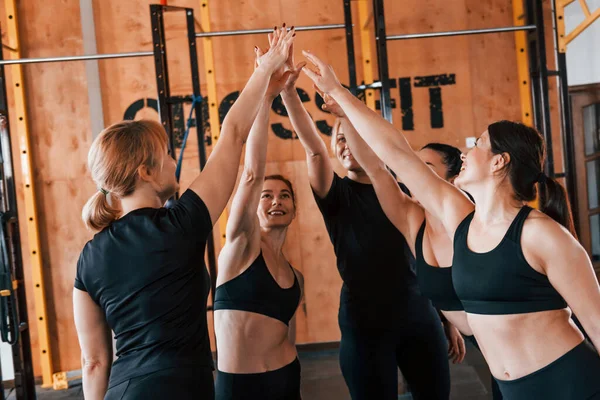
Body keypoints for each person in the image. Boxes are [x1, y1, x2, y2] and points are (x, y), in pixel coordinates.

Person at [302, 50, 600, 399]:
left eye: (479, 144)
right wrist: (338, 92)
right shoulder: (459, 218)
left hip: (571, 384)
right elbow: (394, 155)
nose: (466, 151)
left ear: (499, 163)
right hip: (512, 389)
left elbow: (596, 322)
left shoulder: (540, 234)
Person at [72, 28, 295, 400]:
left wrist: (267, 84)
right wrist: (266, 67)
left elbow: (93, 361)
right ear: (145, 172)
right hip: (180, 387)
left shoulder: (88, 257)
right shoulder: (181, 224)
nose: (174, 163)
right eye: (166, 157)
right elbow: (234, 134)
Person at [281, 50, 451, 400]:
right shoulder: (336, 193)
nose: (344, 144)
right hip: (365, 321)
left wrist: (448, 320)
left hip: (419, 312)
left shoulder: (402, 191)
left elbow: (431, 255)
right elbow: (314, 149)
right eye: (338, 138)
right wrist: (287, 91)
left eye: (351, 135)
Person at [213, 27, 304, 400]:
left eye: (284, 196)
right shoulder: (239, 247)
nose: (275, 201)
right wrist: (265, 96)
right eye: (267, 196)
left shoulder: (295, 274)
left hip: (287, 379)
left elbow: (289, 334)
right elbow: (250, 175)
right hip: (240, 388)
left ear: (295, 209)